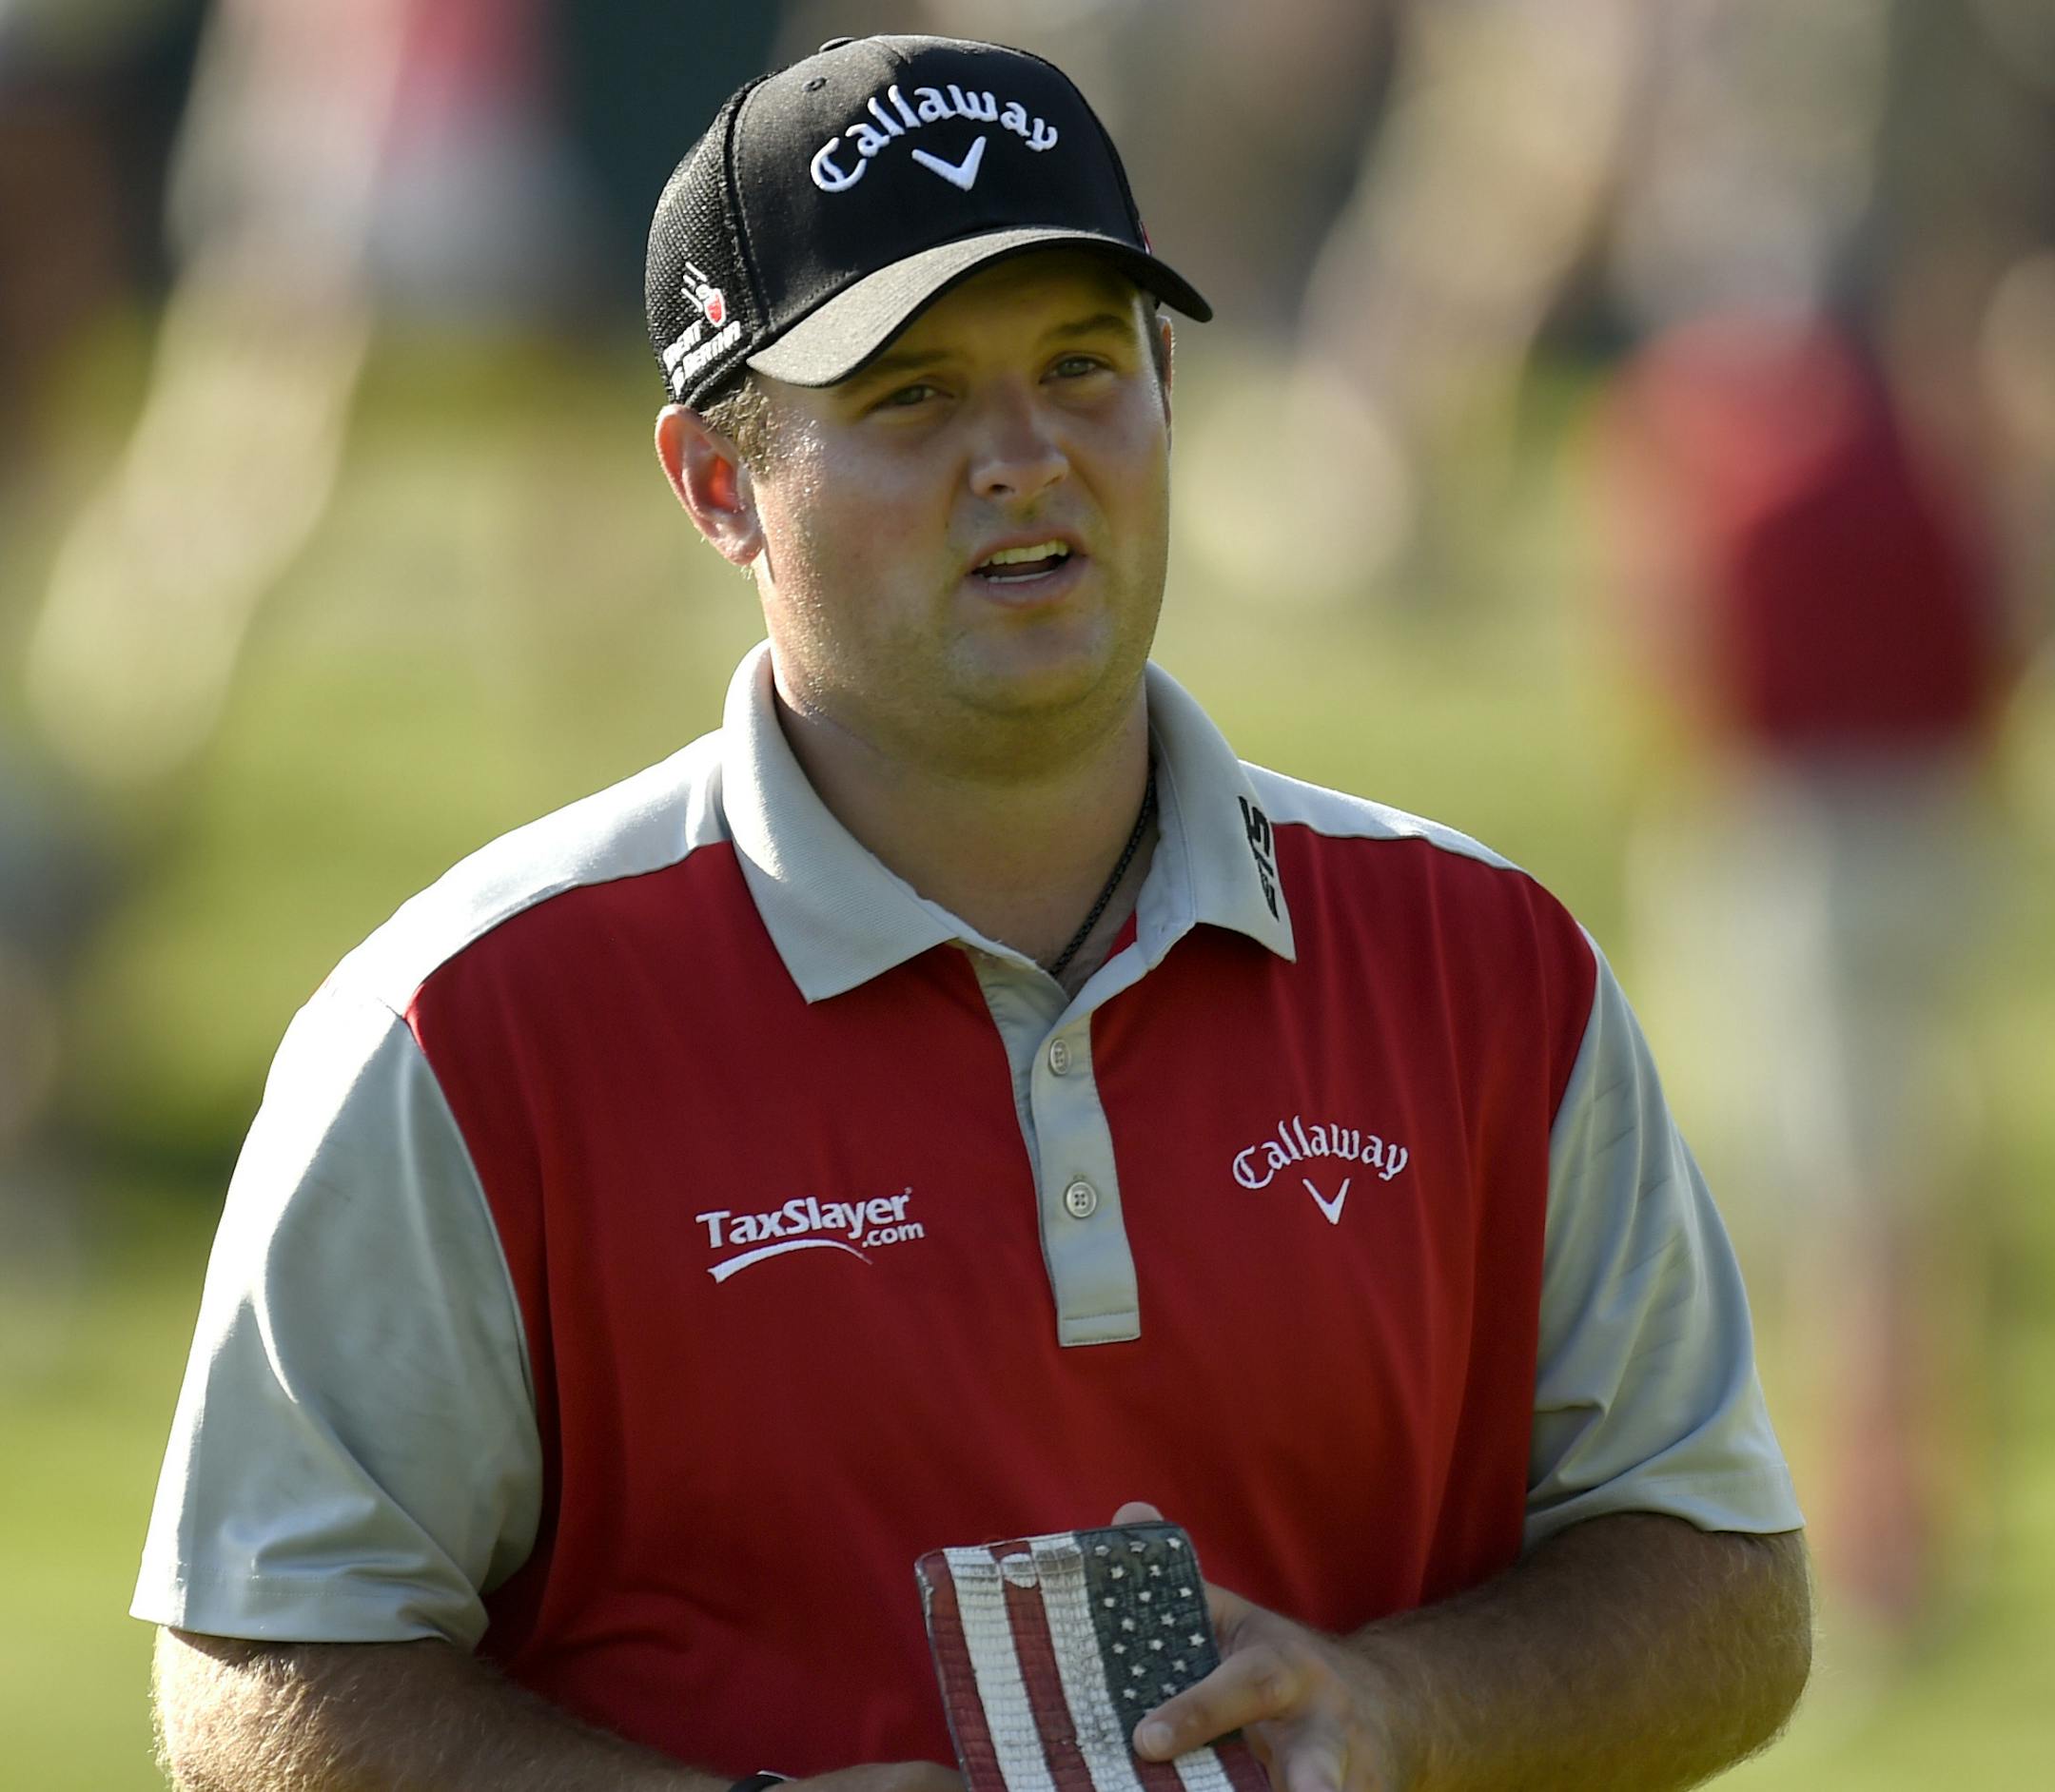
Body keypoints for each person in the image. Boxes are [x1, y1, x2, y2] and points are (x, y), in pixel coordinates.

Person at [135, 33, 1811, 1792]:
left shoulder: (1488, 969)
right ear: (718, 483)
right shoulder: (467, 1032)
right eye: (913, 396)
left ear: (1170, 389)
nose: (1025, 458)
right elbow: (270, 1672)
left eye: (1086, 366)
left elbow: (1720, 1584)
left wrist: (1402, 1709)